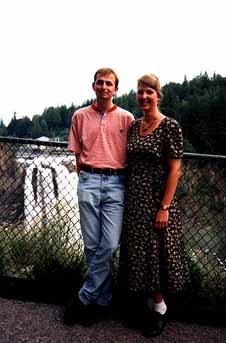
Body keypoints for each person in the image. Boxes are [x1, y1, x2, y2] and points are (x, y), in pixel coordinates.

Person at [119, 73, 189, 337]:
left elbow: (175, 171)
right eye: (140, 92)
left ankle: (160, 309)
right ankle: (146, 307)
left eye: (149, 92)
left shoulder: (170, 126)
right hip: (134, 201)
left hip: (156, 203)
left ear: (158, 96)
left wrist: (165, 208)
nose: (144, 96)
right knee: (138, 256)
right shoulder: (135, 126)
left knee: (154, 257)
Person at [64, 67, 134, 326]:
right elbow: (77, 153)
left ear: (116, 89)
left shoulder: (127, 118)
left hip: (117, 183)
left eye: (109, 84)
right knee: (92, 246)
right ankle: (101, 302)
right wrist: (87, 178)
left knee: (110, 244)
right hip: (89, 180)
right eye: (100, 82)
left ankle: (84, 297)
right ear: (93, 86)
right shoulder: (79, 116)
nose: (104, 87)